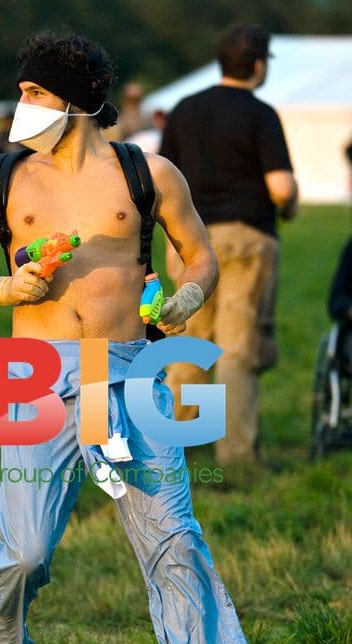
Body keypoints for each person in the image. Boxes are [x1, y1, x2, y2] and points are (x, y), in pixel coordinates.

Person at [0, 31, 267, 644]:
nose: (23, 104)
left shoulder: (149, 173)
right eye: (22, 91)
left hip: (130, 367)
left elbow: (201, 255)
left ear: (79, 99)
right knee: (25, 551)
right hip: (31, 374)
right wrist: (2, 289)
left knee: (173, 537)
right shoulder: (4, 178)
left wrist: (188, 296)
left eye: (35, 92)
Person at [160, 24, 299, 465]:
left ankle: (170, 447)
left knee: (189, 344)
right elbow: (281, 187)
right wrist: (291, 205)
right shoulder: (260, 114)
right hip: (245, 238)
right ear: (258, 65)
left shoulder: (184, 109)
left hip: (188, 240)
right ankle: (237, 458)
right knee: (237, 349)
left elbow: (161, 177)